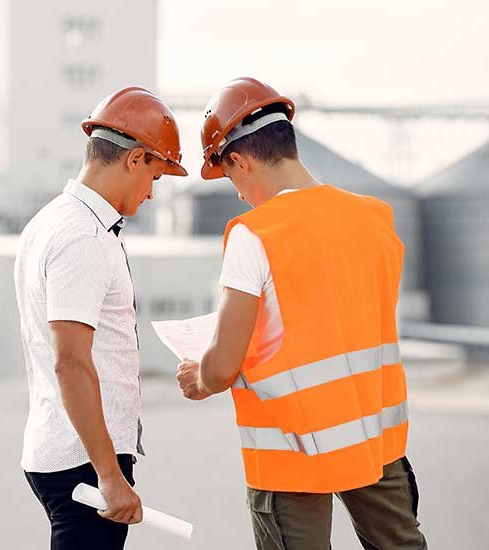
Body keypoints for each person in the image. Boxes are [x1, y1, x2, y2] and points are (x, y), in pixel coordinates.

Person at [176, 76, 427, 549]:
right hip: (375, 438)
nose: (238, 193)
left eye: (230, 177)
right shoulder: (375, 218)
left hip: (290, 450)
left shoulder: (255, 234)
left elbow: (223, 365)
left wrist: (201, 378)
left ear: (240, 161)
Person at [14, 86, 188, 549]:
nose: (152, 193)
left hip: (71, 448)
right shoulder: (83, 238)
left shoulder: (52, 221)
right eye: (155, 175)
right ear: (135, 159)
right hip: (85, 460)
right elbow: (70, 361)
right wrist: (109, 474)